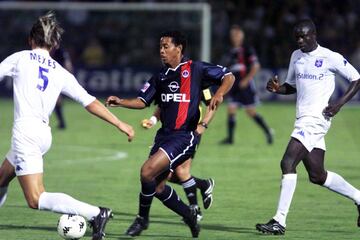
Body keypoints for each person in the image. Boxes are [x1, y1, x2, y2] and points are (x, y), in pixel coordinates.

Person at [0, 12, 134, 240]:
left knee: (36, 198)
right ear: (54, 44)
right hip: (43, 134)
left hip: (26, 133)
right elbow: (89, 101)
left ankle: (96, 213)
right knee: (2, 177)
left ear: (31, 40)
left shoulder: (20, 58)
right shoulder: (59, 71)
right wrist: (119, 122)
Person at [106, 30, 235, 238]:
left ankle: (142, 220)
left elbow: (229, 76)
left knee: (147, 171)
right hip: (163, 136)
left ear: (179, 48)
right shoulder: (160, 77)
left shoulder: (196, 69)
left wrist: (218, 95)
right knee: (157, 187)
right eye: (160, 47)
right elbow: (142, 101)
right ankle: (189, 214)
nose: (162, 51)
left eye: (166, 46)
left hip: (184, 136)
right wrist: (121, 102)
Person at [256, 19, 360, 235]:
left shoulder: (330, 57)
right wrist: (278, 89)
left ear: (314, 35)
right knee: (317, 175)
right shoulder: (296, 56)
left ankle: (279, 221)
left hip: (316, 120)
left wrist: (339, 104)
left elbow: (356, 79)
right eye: (297, 37)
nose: (300, 41)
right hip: (302, 119)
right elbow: (291, 87)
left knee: (287, 162)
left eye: (304, 36)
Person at [141, 92, 216, 221]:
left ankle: (195, 212)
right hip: (170, 135)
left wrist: (202, 125)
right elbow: (162, 105)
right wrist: (152, 120)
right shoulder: (170, 79)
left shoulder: (198, 79)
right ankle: (203, 185)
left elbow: (212, 104)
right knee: (165, 175)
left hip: (189, 134)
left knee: (181, 172)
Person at [220, 25, 273, 145]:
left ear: (242, 35)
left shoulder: (247, 49)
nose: (235, 37)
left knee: (251, 111)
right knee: (231, 108)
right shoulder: (229, 51)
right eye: (233, 35)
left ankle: (268, 131)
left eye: (237, 35)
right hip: (233, 85)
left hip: (245, 85)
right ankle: (230, 139)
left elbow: (256, 66)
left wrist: (246, 80)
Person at [50, 47, 73, 129]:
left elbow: (68, 65)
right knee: (56, 100)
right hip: (48, 77)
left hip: (57, 77)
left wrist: (67, 76)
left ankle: (62, 123)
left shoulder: (60, 51)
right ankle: (61, 123)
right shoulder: (46, 51)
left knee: (56, 100)